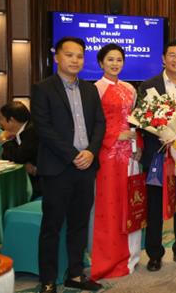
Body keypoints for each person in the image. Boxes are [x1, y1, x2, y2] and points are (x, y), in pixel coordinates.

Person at [31, 37, 106, 293]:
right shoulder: (43, 88)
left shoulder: (90, 89)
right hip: (57, 168)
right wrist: (74, 155)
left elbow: (100, 124)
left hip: (86, 167)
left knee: (79, 223)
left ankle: (75, 274)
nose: (75, 60)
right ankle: (48, 280)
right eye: (69, 55)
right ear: (57, 57)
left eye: (79, 56)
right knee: (51, 226)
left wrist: (91, 152)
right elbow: (43, 128)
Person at [138, 40, 176, 272]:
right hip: (158, 154)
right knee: (154, 206)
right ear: (163, 58)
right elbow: (142, 120)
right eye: (172, 55)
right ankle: (154, 254)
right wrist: (161, 137)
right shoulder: (148, 86)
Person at [90, 44, 143, 280]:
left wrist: (138, 146)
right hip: (109, 153)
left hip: (130, 153)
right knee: (110, 206)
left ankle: (131, 255)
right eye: (110, 59)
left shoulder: (130, 88)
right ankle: (109, 259)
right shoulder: (95, 89)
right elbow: (92, 124)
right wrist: (114, 136)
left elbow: (134, 121)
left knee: (131, 202)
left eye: (119, 59)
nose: (115, 64)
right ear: (101, 63)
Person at [0, 101, 41, 198]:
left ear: (11, 120)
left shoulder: (32, 131)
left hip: (41, 184)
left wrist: (4, 141)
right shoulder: (19, 131)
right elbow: (9, 157)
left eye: (1, 119)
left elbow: (19, 157)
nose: (0, 123)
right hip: (30, 179)